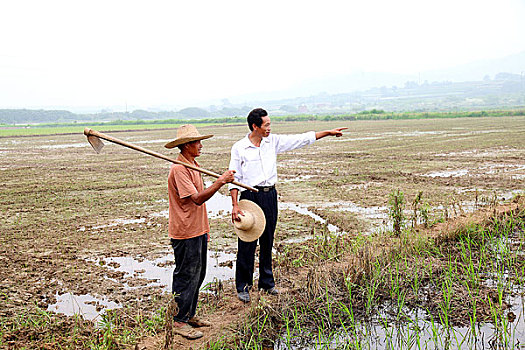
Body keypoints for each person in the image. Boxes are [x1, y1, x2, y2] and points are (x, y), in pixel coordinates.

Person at [228, 108, 346, 302]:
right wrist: (235, 205)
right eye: (266, 125)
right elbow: (234, 177)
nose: (269, 128)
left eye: (269, 124)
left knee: (268, 240)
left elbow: (299, 139)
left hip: (269, 195)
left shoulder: (272, 142)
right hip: (249, 197)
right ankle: (243, 287)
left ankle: (267, 283)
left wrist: (327, 132)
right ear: (255, 126)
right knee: (247, 242)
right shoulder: (239, 148)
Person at [165, 124, 236, 339]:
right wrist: (220, 182)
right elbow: (197, 199)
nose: (201, 146)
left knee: (198, 274)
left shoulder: (193, 165)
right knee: (186, 275)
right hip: (185, 231)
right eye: (197, 142)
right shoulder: (179, 169)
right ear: (187, 146)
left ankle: (189, 314)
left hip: (198, 228)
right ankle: (179, 321)